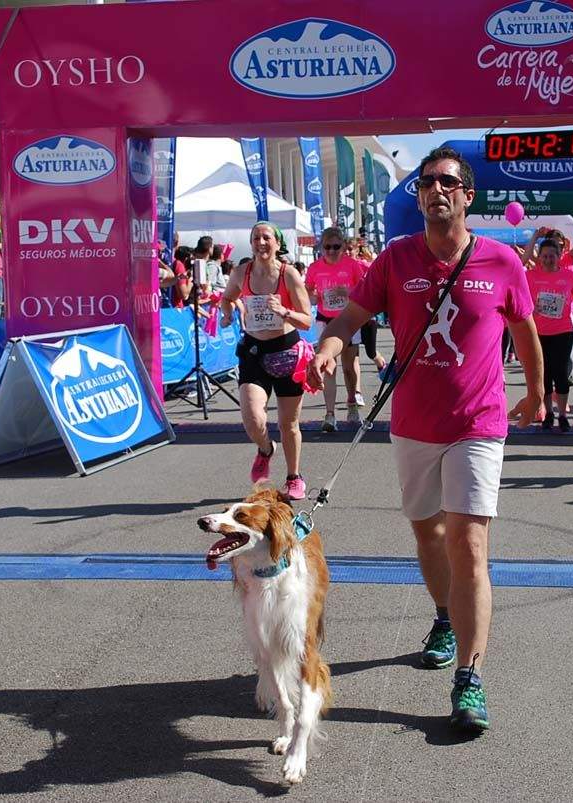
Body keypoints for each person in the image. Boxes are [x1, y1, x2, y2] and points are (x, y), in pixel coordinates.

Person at [308, 147, 544, 734]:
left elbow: (526, 330)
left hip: (479, 423)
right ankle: (444, 617)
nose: (435, 189)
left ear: (468, 196)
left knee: (468, 545)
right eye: (426, 182)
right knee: (428, 534)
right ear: (418, 197)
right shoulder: (395, 259)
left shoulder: (501, 260)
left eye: (447, 182)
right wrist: (329, 347)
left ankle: (469, 678)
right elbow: (350, 317)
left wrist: (537, 393)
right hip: (413, 425)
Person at [219, 221, 313, 501]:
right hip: (253, 352)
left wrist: (283, 311)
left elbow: (307, 320)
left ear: (277, 243)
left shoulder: (289, 274)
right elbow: (227, 298)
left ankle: (294, 477)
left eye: (266, 238)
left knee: (289, 424)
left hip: (287, 352)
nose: (261, 243)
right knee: (252, 416)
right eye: (256, 238)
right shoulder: (241, 272)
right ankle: (265, 449)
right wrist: (227, 313)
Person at [305, 227, 366, 432]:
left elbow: (364, 290)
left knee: (349, 367)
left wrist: (347, 291)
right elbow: (309, 290)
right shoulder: (314, 268)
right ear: (321, 248)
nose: (331, 251)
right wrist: (314, 297)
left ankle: (352, 405)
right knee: (327, 366)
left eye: (336, 247)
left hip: (348, 319)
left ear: (343, 246)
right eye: (327, 247)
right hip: (325, 319)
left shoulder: (352, 265)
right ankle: (330, 415)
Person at [528, 234, 573, 432]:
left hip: (563, 332)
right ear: (539, 257)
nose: (547, 260)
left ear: (559, 256)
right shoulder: (531, 276)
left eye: (552, 256)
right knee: (544, 376)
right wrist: (531, 309)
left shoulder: (568, 275)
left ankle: (562, 415)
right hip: (539, 334)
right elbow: (523, 300)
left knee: (561, 375)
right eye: (544, 256)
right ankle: (548, 413)